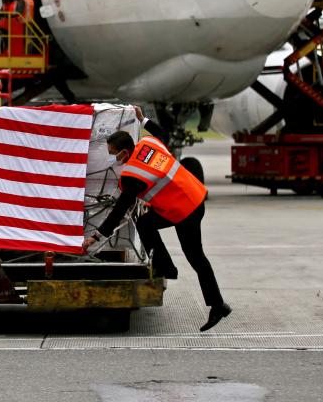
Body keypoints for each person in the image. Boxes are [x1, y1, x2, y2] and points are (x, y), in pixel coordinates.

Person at [82, 106, 231, 332]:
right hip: (193, 196)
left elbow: (119, 210)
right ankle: (166, 268)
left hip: (184, 210)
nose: (113, 157)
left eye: (114, 153)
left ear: (124, 151)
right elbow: (163, 134)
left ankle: (216, 303)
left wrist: (96, 236)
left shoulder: (133, 175)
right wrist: (144, 121)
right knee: (146, 222)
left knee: (195, 257)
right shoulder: (148, 145)